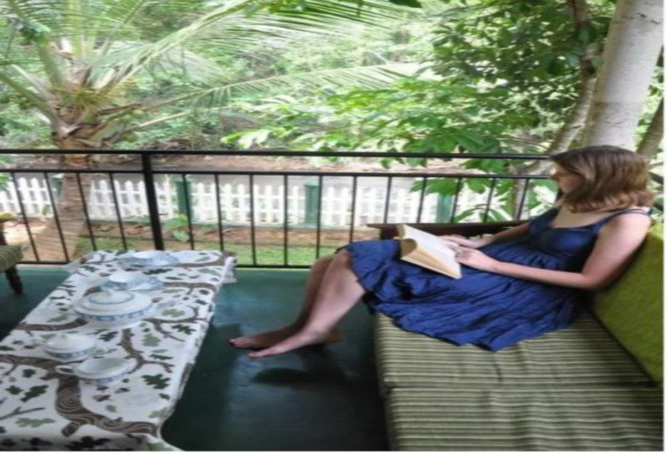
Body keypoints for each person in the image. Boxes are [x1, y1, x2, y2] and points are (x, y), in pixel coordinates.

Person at [230, 145, 654, 358]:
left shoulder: (628, 220)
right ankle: (304, 326)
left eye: (565, 174)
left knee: (353, 257)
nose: (556, 178)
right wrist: (483, 241)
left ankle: (314, 330)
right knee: (329, 260)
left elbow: (592, 280)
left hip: (525, 288)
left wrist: (491, 264)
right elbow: (534, 226)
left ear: (599, 177)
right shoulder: (580, 199)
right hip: (495, 261)